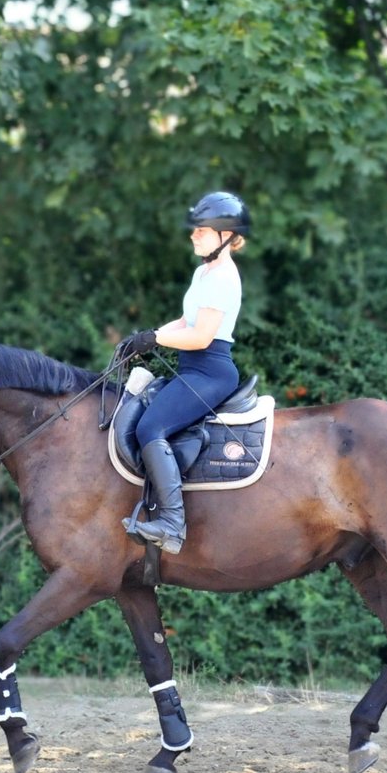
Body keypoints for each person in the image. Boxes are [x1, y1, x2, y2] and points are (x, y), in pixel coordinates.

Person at [117, 190, 249, 554]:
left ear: (225, 237)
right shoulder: (204, 272)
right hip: (193, 368)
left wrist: (156, 339)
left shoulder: (224, 277)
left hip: (210, 371)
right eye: (195, 230)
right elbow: (186, 321)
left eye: (202, 230)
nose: (193, 235)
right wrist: (145, 339)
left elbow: (203, 336)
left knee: (150, 427)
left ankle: (173, 524)